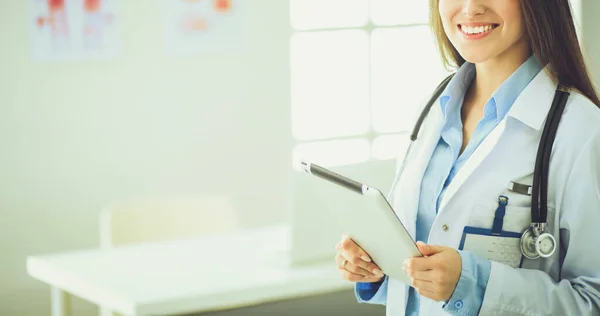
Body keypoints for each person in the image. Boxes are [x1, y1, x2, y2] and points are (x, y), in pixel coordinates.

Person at [334, 0, 600, 315]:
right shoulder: (433, 109)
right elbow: (417, 277)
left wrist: (474, 285)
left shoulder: (582, 130)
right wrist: (374, 266)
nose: (471, 7)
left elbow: (592, 301)